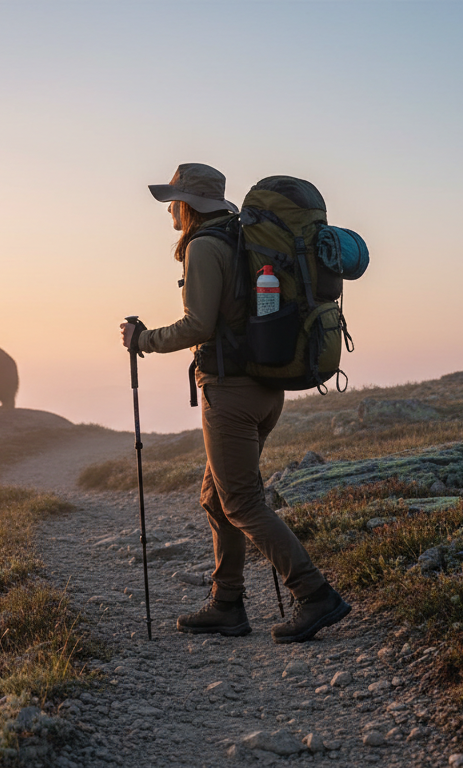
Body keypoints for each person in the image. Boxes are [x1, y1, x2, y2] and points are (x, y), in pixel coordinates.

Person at [120, 162, 350, 644]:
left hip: (230, 393)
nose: (169, 211)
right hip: (266, 387)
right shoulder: (241, 236)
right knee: (215, 496)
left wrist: (143, 339)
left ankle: (314, 594)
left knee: (241, 502)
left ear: (189, 204)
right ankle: (227, 604)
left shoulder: (204, 246)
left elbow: (198, 325)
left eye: (173, 202)